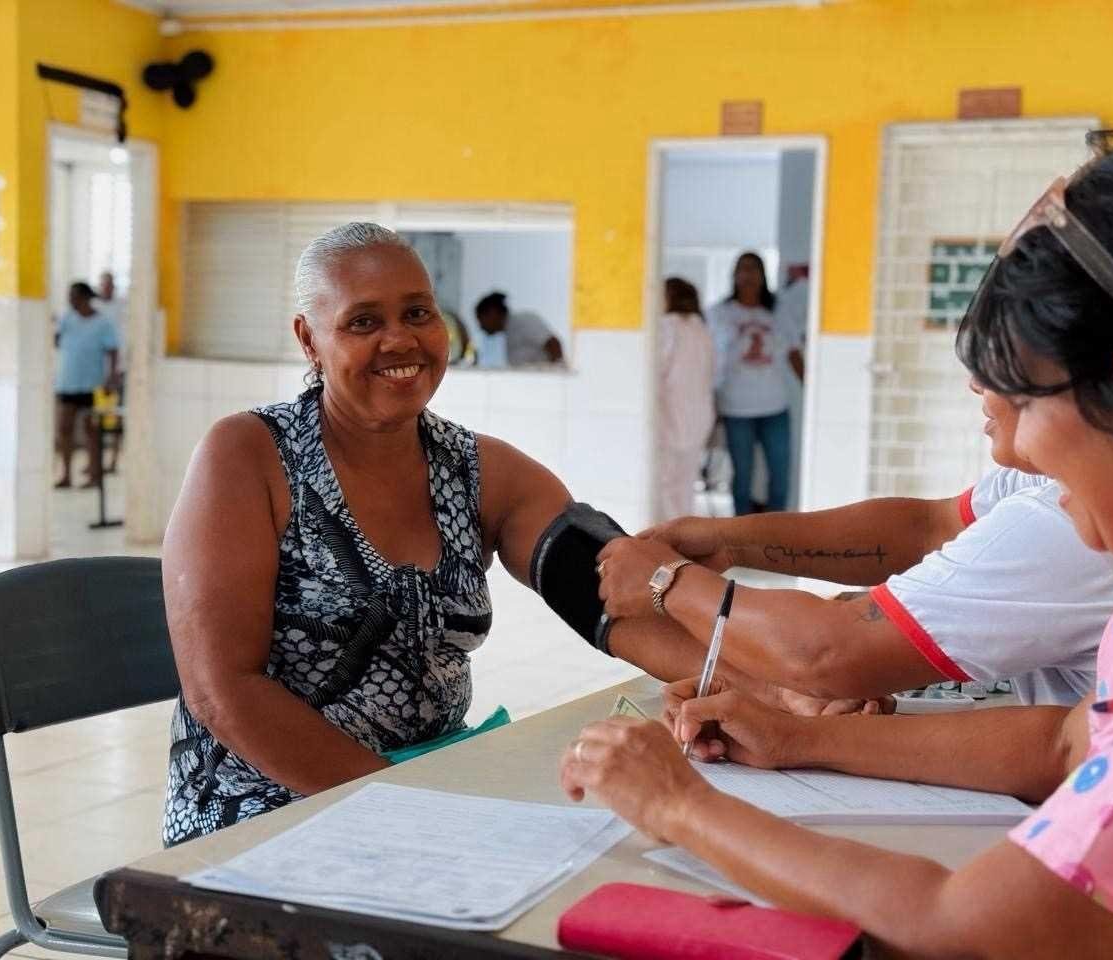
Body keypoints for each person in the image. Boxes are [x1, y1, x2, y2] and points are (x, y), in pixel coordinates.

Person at [564, 132, 1113, 957]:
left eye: (1028, 402)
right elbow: (1067, 739)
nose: (1016, 451)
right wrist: (805, 739)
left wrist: (677, 805)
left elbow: (960, 925)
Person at [161, 223, 713, 846]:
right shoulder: (248, 456)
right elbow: (223, 692)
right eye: (363, 322)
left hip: (425, 788)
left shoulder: (482, 472)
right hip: (264, 810)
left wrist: (745, 686)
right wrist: (414, 812)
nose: (400, 339)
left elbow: (610, 597)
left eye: (418, 313)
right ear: (309, 339)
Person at [597, 362, 1113, 705]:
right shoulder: (1049, 483)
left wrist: (669, 583)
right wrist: (730, 542)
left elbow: (828, 654)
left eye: (1003, 353)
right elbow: (927, 528)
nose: (976, 380)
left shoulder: (1065, 521)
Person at [707, 252, 804, 515]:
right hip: (735, 407)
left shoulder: (778, 311)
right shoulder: (719, 314)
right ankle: (742, 532)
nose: (748, 274)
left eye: (754, 268)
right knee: (742, 477)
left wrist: (814, 391)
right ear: (734, 275)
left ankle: (777, 531)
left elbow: (794, 353)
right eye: (743, 268)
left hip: (775, 406)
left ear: (763, 275)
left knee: (780, 475)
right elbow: (706, 358)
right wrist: (708, 400)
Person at [655, 277, 715, 521]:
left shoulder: (667, 327)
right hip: (699, 415)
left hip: (671, 413)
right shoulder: (702, 329)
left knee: (665, 482)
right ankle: (683, 532)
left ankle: (668, 533)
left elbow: (656, 369)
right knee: (686, 483)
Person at [54, 281, 118, 489]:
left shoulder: (103, 323)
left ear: (84, 298)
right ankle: (66, 475)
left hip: (93, 385)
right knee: (65, 428)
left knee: (92, 431)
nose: (70, 300)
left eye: (73, 296)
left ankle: (95, 475)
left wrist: (111, 378)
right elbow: (57, 340)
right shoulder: (67, 319)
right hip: (68, 382)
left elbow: (113, 352)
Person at [474, 291, 564, 366]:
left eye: (480, 320)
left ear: (492, 312)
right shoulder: (509, 333)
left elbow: (553, 344)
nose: (481, 327)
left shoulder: (523, 321)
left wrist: (558, 377)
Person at [95, 270, 126, 473]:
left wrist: (115, 373)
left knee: (115, 419)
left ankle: (113, 459)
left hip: (117, 372)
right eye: (104, 284)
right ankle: (95, 463)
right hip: (96, 373)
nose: (107, 288)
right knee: (95, 420)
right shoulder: (94, 307)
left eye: (110, 284)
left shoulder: (122, 307)